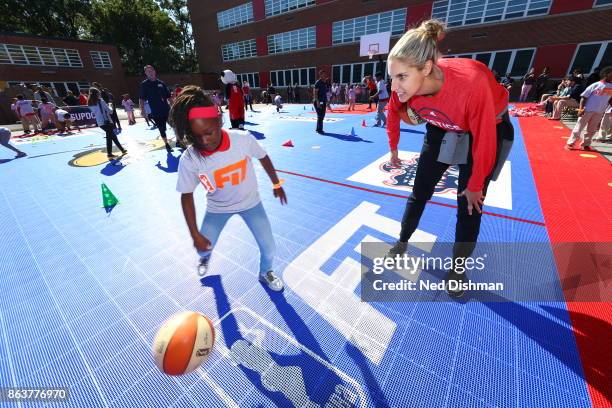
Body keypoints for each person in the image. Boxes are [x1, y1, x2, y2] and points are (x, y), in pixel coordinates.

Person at [385, 19, 514, 298]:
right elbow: (392, 113)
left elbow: (485, 138)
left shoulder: (471, 82)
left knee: (470, 203)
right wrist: (394, 149)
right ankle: (402, 241)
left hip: (486, 126)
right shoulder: (406, 91)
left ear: (427, 68)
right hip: (444, 125)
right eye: (392, 77)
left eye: (402, 77)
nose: (394, 87)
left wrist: (476, 183)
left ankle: (458, 269)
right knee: (419, 192)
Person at [170, 85, 287, 291]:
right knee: (204, 246)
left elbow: (263, 156)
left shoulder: (242, 139)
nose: (205, 141)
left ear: (219, 120)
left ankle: (265, 272)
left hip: (251, 204)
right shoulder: (190, 158)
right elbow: (186, 196)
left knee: (269, 245)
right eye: (196, 137)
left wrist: (276, 183)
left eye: (209, 132)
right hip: (217, 208)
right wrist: (195, 234)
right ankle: (205, 259)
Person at [565, 66, 612, 151]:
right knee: (579, 127)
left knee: (592, 129)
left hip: (599, 112)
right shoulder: (596, 85)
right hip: (587, 110)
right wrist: (581, 109)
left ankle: (585, 144)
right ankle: (571, 142)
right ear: (606, 74)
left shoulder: (611, 86)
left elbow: (609, 99)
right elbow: (584, 97)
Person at [139, 64, 174, 152]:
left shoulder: (161, 83)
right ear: (146, 73)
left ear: (155, 72)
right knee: (162, 129)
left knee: (175, 125)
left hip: (167, 110)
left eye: (151, 70)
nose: (150, 73)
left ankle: (178, 141)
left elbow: (169, 96)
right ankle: (166, 144)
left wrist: (173, 106)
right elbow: (141, 99)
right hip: (156, 112)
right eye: (148, 71)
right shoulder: (144, 84)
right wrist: (142, 110)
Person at [89, 87, 127, 160]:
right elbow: (110, 111)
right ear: (96, 94)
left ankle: (122, 149)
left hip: (100, 123)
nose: (100, 94)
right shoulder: (101, 101)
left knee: (112, 136)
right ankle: (110, 154)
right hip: (106, 121)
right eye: (99, 93)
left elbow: (94, 113)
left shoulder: (90, 103)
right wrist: (111, 106)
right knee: (110, 137)